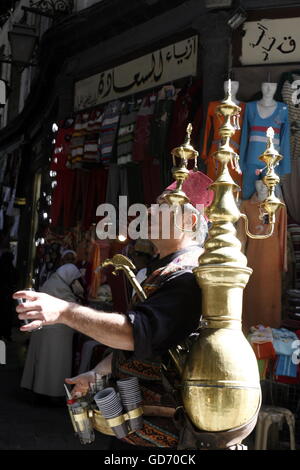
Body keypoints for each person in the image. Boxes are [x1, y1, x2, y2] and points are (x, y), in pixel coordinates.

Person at [14, 171, 212, 447]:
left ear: (190, 221)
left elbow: (137, 334)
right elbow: (146, 343)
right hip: (140, 428)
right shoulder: (168, 269)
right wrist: (98, 372)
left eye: (164, 205)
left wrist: (65, 311)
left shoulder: (187, 274)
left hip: (162, 438)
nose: (150, 210)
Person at [20, 263, 84, 401]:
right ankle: (51, 393)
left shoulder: (54, 281)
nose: (75, 282)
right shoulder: (60, 286)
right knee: (54, 363)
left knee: (44, 362)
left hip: (47, 330)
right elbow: (72, 307)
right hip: (56, 332)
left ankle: (41, 390)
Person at [0, 251, 18, 341]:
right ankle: (7, 334)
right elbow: (15, 280)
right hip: (8, 294)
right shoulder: (11, 268)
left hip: (4, 294)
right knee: (7, 314)